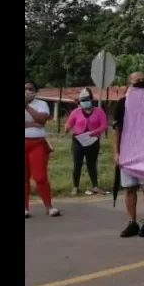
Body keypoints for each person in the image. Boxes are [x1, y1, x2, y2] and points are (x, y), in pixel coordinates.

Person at [113, 71, 144, 238]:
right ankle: (132, 222)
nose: (139, 83)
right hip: (127, 151)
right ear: (129, 84)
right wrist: (116, 152)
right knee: (129, 188)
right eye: (136, 81)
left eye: (142, 80)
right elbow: (117, 130)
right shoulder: (122, 104)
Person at [25, 79, 61, 218]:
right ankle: (26, 208)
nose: (27, 91)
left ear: (35, 91)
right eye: (25, 88)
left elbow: (41, 120)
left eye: (30, 88)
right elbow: (37, 122)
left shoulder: (41, 104)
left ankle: (49, 206)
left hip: (37, 144)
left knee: (40, 176)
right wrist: (32, 124)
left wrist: (27, 107)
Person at [64, 88, 108, 196]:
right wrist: (66, 129)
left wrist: (94, 132)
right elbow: (69, 124)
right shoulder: (75, 112)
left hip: (93, 141)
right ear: (80, 101)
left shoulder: (99, 111)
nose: (85, 101)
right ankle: (75, 187)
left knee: (91, 164)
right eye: (82, 100)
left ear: (91, 99)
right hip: (78, 141)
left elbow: (103, 125)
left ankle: (95, 186)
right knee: (77, 164)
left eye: (87, 99)